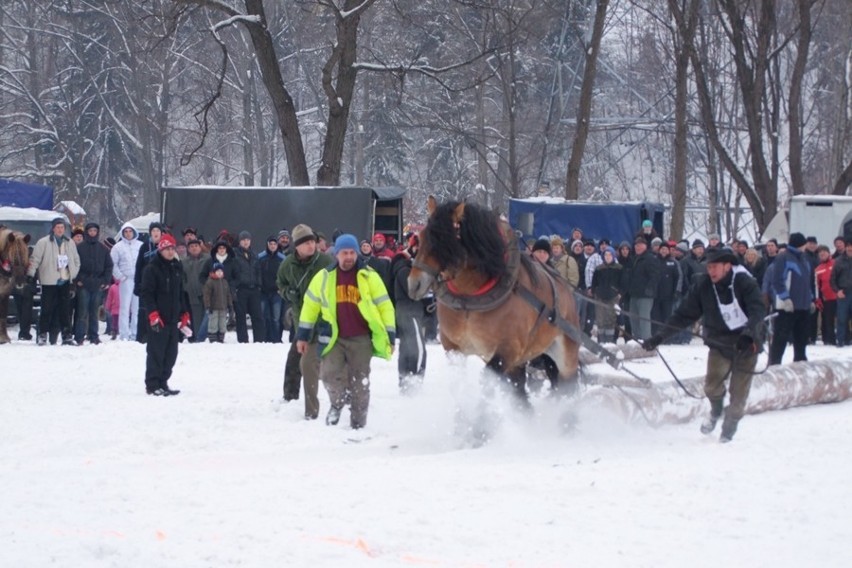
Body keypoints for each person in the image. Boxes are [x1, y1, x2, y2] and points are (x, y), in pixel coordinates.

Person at [643, 248, 765, 442]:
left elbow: (758, 312)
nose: (711, 271)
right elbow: (683, 315)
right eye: (708, 267)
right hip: (720, 343)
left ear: (727, 266)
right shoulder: (704, 285)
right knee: (711, 387)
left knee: (738, 398)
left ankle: (728, 431)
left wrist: (749, 334)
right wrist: (659, 337)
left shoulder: (745, 282)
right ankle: (716, 410)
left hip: (746, 346)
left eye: (715, 267)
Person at [296, 233, 395, 429]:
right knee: (328, 374)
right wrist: (302, 336)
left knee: (361, 384)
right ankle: (337, 403)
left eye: (352, 252)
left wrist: (390, 337)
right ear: (337, 254)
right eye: (344, 253)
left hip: (361, 339)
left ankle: (358, 425)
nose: (348, 257)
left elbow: (385, 306)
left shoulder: (369, 276)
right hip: (335, 337)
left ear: (357, 253)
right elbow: (310, 306)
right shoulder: (324, 277)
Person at [276, 224, 334, 418]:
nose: (311, 246)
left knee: (335, 363)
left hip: (326, 320)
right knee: (295, 361)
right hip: (303, 322)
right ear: (297, 246)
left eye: (313, 242)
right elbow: (280, 283)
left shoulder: (325, 261)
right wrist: (287, 293)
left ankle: (347, 400)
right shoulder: (287, 264)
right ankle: (290, 397)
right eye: (307, 243)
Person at [140, 233, 190, 395]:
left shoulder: (176, 267)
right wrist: (153, 314)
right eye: (166, 249)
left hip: (173, 318)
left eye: (172, 248)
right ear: (160, 250)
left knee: (171, 353)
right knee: (156, 352)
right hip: (158, 318)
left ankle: (163, 381)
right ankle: (153, 385)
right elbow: (147, 294)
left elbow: (180, 292)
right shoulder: (151, 269)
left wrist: (184, 312)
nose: (170, 252)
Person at [27, 218, 80, 346]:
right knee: (46, 309)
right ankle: (42, 334)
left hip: (65, 280)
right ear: (53, 228)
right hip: (49, 281)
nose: (60, 230)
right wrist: (31, 273)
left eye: (62, 227)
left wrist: (73, 273)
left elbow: (76, 260)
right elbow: (35, 259)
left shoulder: (69, 242)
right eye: (58, 227)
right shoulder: (43, 242)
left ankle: (66, 335)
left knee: (65, 310)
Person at [768, 232, 813, 365]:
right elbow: (777, 281)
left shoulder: (804, 258)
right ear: (800, 245)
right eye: (804, 244)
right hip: (788, 306)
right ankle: (774, 363)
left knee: (802, 337)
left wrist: (810, 298)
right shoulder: (783, 257)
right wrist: (785, 298)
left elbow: (807, 281)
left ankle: (800, 361)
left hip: (803, 305)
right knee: (781, 337)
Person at [391, 234, 428, 393]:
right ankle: (414, 383)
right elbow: (412, 290)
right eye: (418, 247)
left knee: (407, 348)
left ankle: (406, 382)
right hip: (408, 311)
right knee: (418, 348)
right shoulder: (403, 265)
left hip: (409, 310)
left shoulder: (406, 264)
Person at [73, 222, 113, 345]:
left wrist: (105, 281)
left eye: (94, 231)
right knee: (82, 312)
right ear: (87, 232)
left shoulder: (103, 249)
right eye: (90, 231)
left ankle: (93, 335)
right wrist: (78, 279)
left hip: (98, 283)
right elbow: (75, 264)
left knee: (94, 311)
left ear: (97, 232)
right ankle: (79, 336)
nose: (92, 233)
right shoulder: (79, 248)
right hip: (83, 283)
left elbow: (109, 266)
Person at [232, 230, 265, 343]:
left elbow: (258, 270)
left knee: (257, 316)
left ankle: (259, 340)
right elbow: (233, 271)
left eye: (247, 240)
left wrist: (259, 285)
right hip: (241, 289)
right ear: (239, 242)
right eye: (243, 240)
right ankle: (243, 340)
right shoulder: (234, 254)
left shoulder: (254, 254)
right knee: (241, 317)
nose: (246, 242)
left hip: (254, 288)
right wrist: (235, 286)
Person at [111, 222, 142, 340]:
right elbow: (112, 263)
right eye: (126, 232)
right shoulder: (118, 247)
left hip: (138, 280)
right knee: (124, 307)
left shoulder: (140, 245)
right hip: (126, 280)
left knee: (136, 308)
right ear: (123, 233)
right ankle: (124, 334)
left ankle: (135, 333)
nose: (128, 234)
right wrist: (120, 276)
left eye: (130, 231)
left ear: (134, 232)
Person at [133, 222, 163, 344]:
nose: (155, 233)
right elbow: (138, 266)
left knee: (159, 310)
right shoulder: (145, 246)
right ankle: (142, 335)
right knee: (144, 310)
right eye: (153, 231)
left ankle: (158, 335)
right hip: (146, 284)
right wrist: (137, 284)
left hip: (160, 285)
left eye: (157, 231)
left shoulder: (165, 246)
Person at [626, 236, 660, 340]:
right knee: (634, 318)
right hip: (634, 294)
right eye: (636, 245)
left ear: (645, 246)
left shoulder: (650, 258)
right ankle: (637, 340)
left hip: (645, 295)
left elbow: (655, 275)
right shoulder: (634, 258)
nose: (638, 247)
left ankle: (646, 340)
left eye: (640, 245)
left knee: (644, 319)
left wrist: (650, 288)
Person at [590, 246, 623, 343]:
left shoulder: (619, 268)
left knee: (611, 319)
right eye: (606, 255)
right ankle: (601, 340)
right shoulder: (599, 268)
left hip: (613, 297)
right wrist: (594, 291)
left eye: (609, 255)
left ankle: (609, 341)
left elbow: (623, 282)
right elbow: (594, 282)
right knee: (600, 319)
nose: (607, 257)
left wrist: (620, 292)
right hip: (600, 296)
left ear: (613, 256)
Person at [258, 236, 285, 342]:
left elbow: (285, 275)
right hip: (263, 292)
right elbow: (257, 273)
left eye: (274, 244)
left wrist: (281, 287)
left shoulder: (282, 258)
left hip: (277, 292)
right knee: (265, 316)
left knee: (276, 318)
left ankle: (277, 338)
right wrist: (260, 286)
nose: (273, 246)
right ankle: (266, 338)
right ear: (267, 245)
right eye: (271, 244)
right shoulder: (261, 257)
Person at [182, 239, 208, 342]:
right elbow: (182, 278)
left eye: (196, 246)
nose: (194, 248)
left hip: (206, 293)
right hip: (192, 294)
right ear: (188, 249)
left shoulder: (208, 259)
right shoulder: (184, 262)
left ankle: (208, 339)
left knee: (207, 317)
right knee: (196, 318)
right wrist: (187, 287)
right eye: (191, 246)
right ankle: (198, 338)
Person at [830, 237, 852, 347]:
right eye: (848, 247)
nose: (850, 249)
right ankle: (840, 340)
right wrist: (837, 291)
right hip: (843, 293)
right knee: (842, 318)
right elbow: (832, 279)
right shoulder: (839, 261)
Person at [203, 262, 232, 343]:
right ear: (214, 272)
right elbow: (207, 295)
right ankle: (213, 338)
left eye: (221, 271)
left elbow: (228, 294)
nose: (219, 273)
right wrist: (208, 306)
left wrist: (230, 305)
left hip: (223, 307)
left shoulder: (224, 282)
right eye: (217, 271)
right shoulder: (210, 282)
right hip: (213, 307)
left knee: (222, 324)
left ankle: (221, 337)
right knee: (213, 323)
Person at [814, 245, 837, 347]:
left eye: (824, 252)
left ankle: (845, 339)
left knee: (842, 320)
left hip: (839, 296)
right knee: (827, 320)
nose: (822, 254)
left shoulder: (836, 264)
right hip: (826, 298)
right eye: (820, 253)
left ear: (829, 253)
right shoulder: (818, 269)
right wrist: (818, 298)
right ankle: (828, 340)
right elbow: (816, 285)